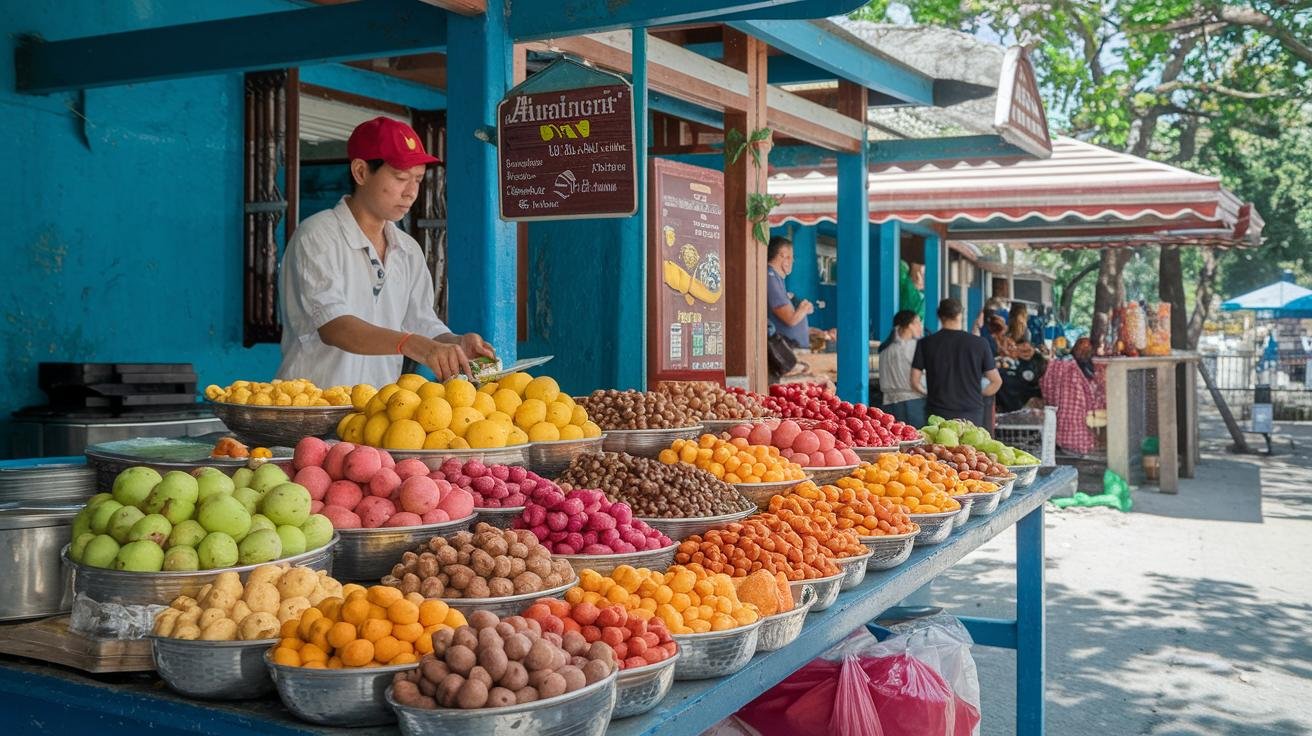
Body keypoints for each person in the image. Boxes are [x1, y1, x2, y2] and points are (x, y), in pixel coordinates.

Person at [277, 117, 496, 388]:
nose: (411, 192)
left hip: (378, 414)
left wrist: (457, 343)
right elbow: (336, 327)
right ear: (360, 172)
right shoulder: (317, 236)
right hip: (314, 408)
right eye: (401, 177)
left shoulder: (407, 249)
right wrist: (412, 344)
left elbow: (421, 322)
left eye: (418, 179)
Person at [910, 298, 1002, 427]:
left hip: (937, 413)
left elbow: (914, 381)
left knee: (938, 447)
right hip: (971, 414)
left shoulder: (926, 343)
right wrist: (977, 395)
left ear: (939, 316)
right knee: (969, 447)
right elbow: (996, 381)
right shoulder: (979, 344)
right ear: (960, 314)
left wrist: (929, 394)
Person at [877, 309, 925, 427]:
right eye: (918, 323)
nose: (921, 327)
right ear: (909, 325)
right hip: (912, 403)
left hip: (888, 404)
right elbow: (917, 380)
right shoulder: (915, 347)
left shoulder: (885, 349)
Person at [765, 236, 812, 348]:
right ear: (783, 256)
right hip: (786, 354)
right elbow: (790, 319)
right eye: (791, 257)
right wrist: (804, 307)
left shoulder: (776, 279)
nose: (793, 261)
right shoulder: (771, 278)